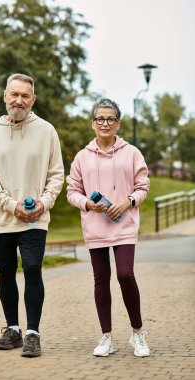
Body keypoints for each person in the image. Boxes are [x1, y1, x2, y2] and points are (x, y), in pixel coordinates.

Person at [0, 73, 64, 357]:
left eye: (25, 96)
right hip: (1, 218)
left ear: (33, 99)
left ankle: (32, 334)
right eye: (14, 94)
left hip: (35, 218)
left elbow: (56, 175)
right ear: (5, 96)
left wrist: (45, 202)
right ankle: (13, 329)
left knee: (32, 269)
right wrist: (10, 204)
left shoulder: (47, 131)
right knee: (5, 272)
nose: (19, 100)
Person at [66, 98, 150, 358]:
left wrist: (128, 202)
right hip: (95, 228)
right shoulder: (82, 157)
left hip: (124, 225)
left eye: (110, 119)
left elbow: (143, 186)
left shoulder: (132, 152)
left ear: (118, 123)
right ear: (93, 124)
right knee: (101, 280)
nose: (105, 123)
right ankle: (106, 337)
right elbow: (72, 192)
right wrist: (88, 205)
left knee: (125, 274)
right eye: (100, 119)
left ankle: (138, 333)